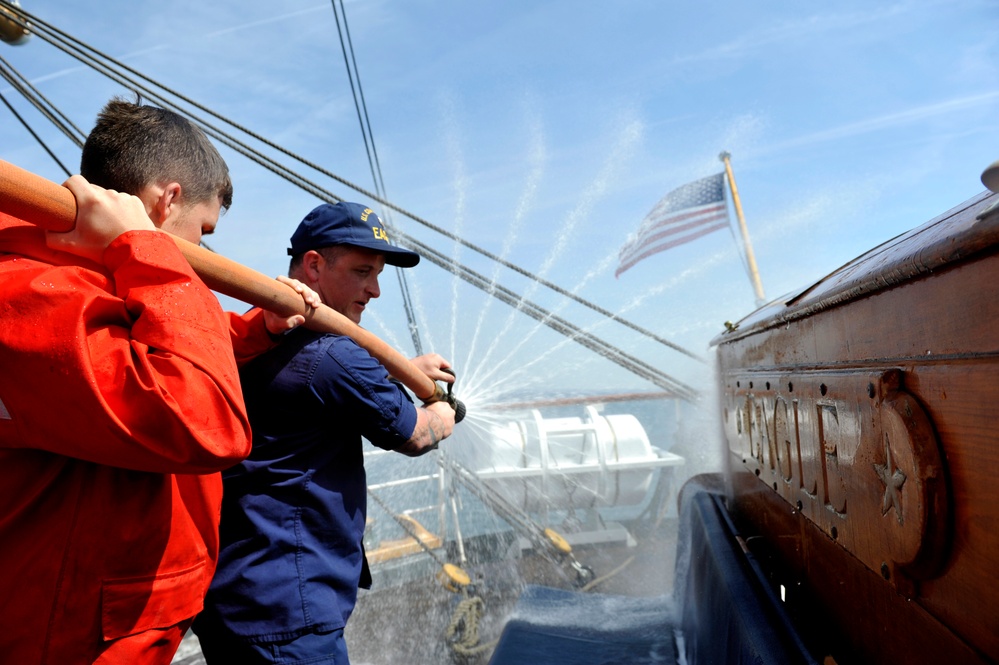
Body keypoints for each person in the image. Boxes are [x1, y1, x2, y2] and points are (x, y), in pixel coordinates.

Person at [0, 98, 317, 664]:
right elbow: (203, 416)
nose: (200, 254)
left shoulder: (81, 281)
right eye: (202, 231)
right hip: (74, 641)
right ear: (166, 199)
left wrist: (262, 326)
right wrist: (147, 249)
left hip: (119, 620)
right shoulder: (26, 295)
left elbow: (163, 336)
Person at [193, 202, 459, 664]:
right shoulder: (334, 356)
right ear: (314, 265)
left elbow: (321, 380)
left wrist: (401, 373)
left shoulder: (260, 335)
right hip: (289, 614)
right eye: (362, 271)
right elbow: (416, 435)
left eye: (377, 275)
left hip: (237, 594)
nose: (374, 290)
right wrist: (446, 409)